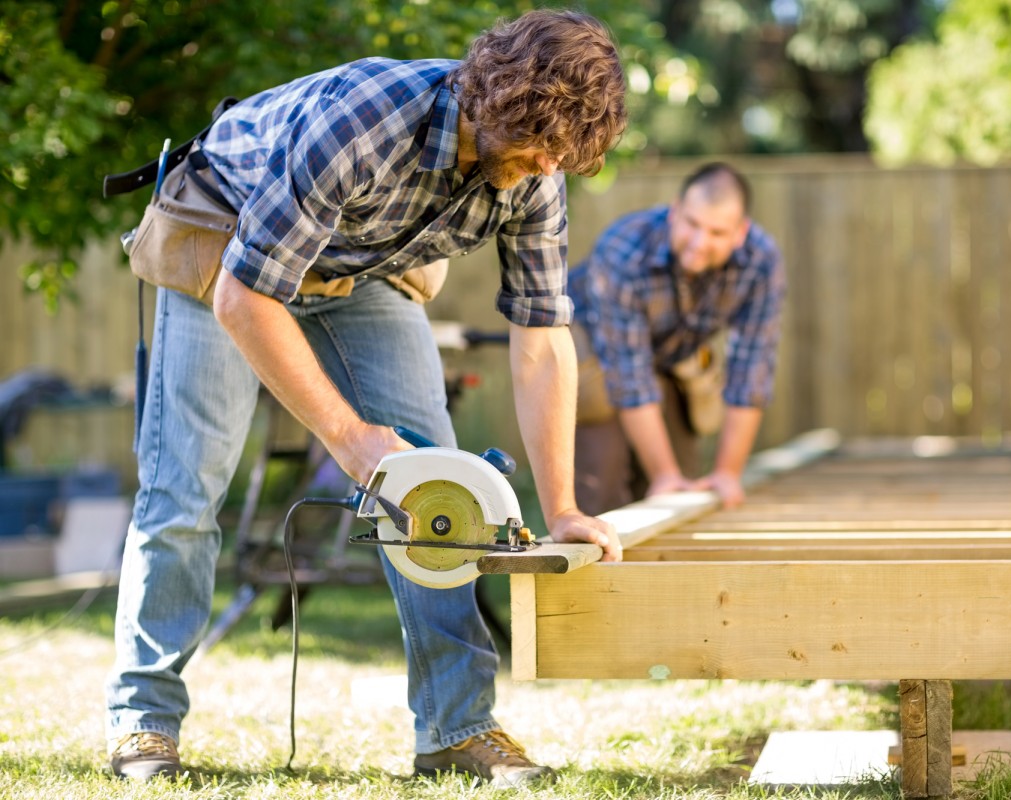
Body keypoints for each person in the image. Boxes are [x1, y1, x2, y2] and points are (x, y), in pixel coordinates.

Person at [105, 9, 625, 788]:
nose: (551, 167)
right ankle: (144, 722)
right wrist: (349, 439)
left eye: (564, 155)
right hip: (229, 245)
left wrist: (564, 507)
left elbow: (544, 336)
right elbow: (247, 298)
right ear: (496, 103)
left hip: (357, 271)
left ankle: (457, 729)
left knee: (440, 491)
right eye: (541, 146)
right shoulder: (365, 121)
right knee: (186, 487)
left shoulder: (535, 176)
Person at [568, 163, 784, 514]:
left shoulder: (761, 261)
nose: (700, 243)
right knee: (605, 483)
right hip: (592, 349)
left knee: (685, 486)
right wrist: (663, 474)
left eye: (717, 233)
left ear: (740, 233)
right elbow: (629, 374)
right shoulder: (625, 249)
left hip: (669, 354)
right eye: (692, 224)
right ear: (675, 211)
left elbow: (752, 369)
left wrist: (728, 473)